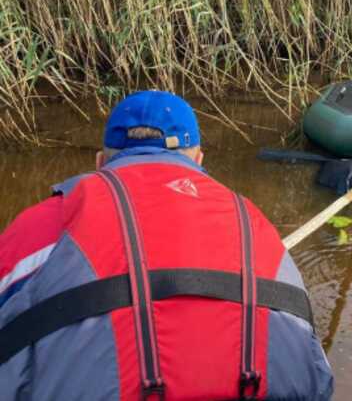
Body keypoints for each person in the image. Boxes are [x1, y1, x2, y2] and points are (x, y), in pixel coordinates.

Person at [0, 91, 334, 400]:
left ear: (101, 162)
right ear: (199, 160)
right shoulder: (257, 226)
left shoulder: (42, 226)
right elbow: (317, 374)